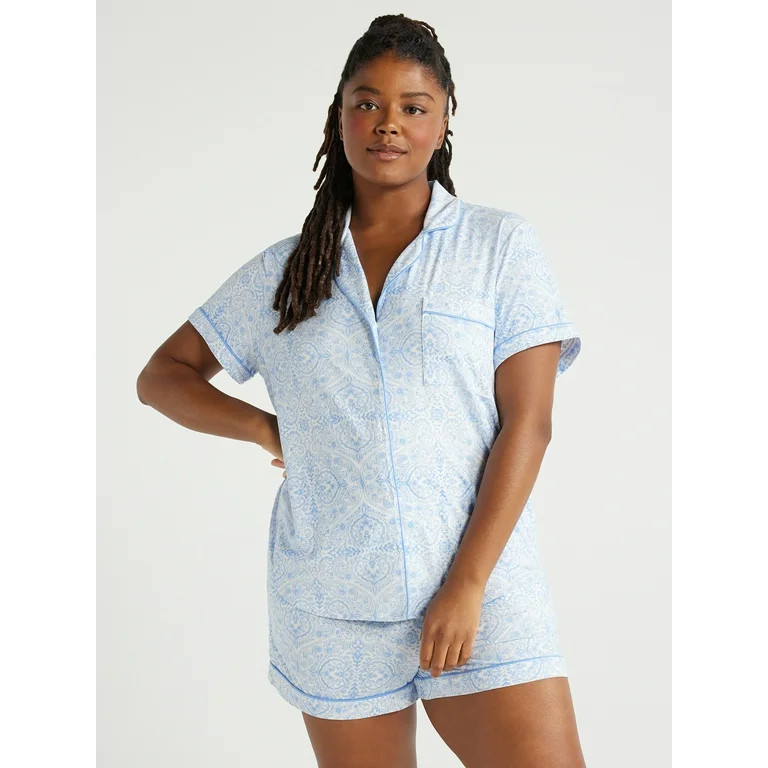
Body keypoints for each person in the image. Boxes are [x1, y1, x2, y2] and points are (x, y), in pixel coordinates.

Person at [137, 13, 587, 768]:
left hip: (482, 588)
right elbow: (161, 377)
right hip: (330, 603)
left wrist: (467, 584)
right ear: (338, 116)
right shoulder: (287, 273)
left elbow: (529, 425)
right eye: (367, 102)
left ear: (443, 122)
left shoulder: (498, 247)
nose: (388, 123)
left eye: (414, 106)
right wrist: (266, 428)